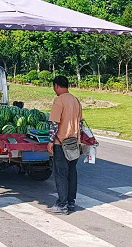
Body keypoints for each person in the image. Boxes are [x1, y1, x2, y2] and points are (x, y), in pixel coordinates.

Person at [47, 75, 83, 214]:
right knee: (72, 173)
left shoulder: (59, 100)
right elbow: (80, 122)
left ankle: (62, 204)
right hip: (74, 142)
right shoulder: (75, 100)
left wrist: (50, 141)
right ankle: (71, 202)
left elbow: (54, 124)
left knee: (61, 174)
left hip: (61, 143)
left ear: (56, 86)